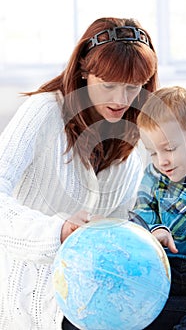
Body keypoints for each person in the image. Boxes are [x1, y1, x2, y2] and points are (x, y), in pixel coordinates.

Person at [0, 17, 158, 330]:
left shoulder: (130, 137)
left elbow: (124, 220)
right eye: (109, 85)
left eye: (132, 88)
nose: (121, 100)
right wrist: (59, 231)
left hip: (98, 292)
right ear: (84, 72)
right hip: (35, 292)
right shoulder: (44, 111)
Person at [132, 86, 186, 330]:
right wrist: (155, 230)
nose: (161, 161)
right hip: (165, 272)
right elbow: (140, 215)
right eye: (152, 153)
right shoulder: (154, 177)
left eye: (169, 149)